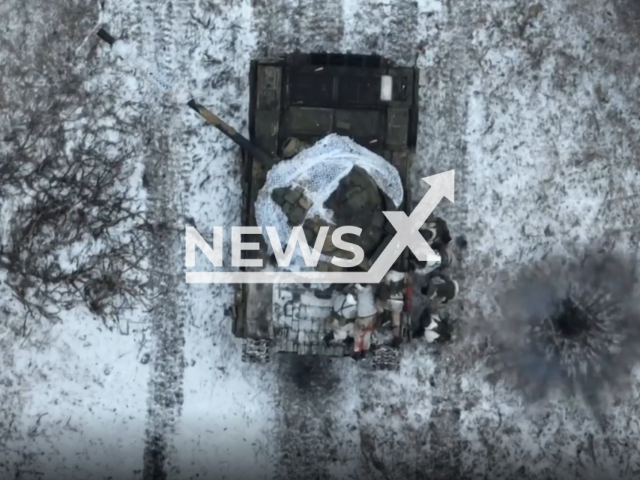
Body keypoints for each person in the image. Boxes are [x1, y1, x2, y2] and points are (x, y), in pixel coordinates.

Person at [376, 270, 407, 347]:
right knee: (395, 318)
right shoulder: (402, 274)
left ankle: (396, 334)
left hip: (395, 300)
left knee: (395, 317)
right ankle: (396, 335)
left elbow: (386, 284)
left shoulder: (392, 274)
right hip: (397, 301)